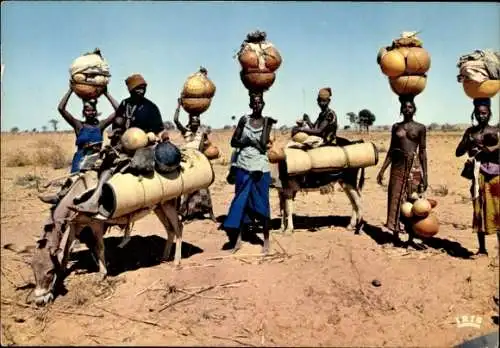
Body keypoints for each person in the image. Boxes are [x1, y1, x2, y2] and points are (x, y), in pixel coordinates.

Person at [74, 73, 169, 214]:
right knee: (97, 164)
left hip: (144, 148)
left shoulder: (151, 107)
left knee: (115, 168)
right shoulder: (125, 104)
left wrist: (161, 136)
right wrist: (116, 133)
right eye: (138, 88)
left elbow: (159, 130)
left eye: (143, 88)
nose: (141, 90)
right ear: (130, 90)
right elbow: (117, 124)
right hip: (122, 145)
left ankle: (95, 200)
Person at [38, 85, 119, 204]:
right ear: (83, 112)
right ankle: (59, 197)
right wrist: (70, 90)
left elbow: (118, 109)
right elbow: (61, 108)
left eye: (92, 110)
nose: (90, 112)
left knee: (99, 185)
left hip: (96, 161)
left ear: (96, 111)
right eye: (87, 110)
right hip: (80, 160)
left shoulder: (100, 126)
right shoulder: (78, 125)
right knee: (73, 182)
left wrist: (106, 93)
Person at [223, 91, 276, 254]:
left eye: (259, 102)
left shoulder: (267, 122)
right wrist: (243, 141)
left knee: (262, 202)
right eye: (254, 102)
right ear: (250, 104)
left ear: (263, 104)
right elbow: (233, 142)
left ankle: (266, 241)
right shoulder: (244, 120)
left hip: (260, 167)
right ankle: (237, 241)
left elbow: (262, 145)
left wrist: (248, 140)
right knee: (241, 202)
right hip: (243, 164)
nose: (257, 105)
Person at [376, 95, 428, 247]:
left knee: (412, 201)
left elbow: (423, 152)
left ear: (414, 109)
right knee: (395, 199)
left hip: (414, 166)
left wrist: (425, 175)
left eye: (410, 107)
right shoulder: (396, 127)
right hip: (397, 166)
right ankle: (395, 235)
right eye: (405, 107)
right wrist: (382, 170)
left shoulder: (420, 128)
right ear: (401, 109)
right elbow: (392, 150)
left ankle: (412, 237)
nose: (407, 109)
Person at [455, 98, 499, 256]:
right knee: (478, 209)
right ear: (474, 113)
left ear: (489, 114)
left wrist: (489, 150)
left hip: (495, 175)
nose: (481, 116)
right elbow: (458, 152)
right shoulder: (470, 132)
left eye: (484, 113)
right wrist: (468, 142)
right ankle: (482, 249)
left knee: (497, 210)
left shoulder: (495, 131)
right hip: (477, 174)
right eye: (479, 113)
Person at [173, 97, 216, 223]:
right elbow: (175, 120)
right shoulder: (185, 131)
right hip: (187, 162)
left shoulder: (202, 134)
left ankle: (210, 212)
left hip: (198, 162)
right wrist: (178, 106)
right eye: (193, 121)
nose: (195, 123)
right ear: (190, 121)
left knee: (204, 189)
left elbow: (203, 149)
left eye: (197, 121)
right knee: (188, 189)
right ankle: (186, 214)